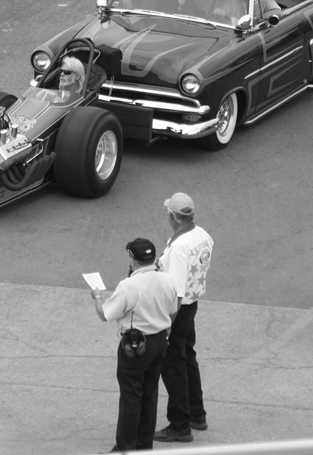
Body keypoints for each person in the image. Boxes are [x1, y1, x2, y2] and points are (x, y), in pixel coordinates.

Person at [91, 238, 179, 452]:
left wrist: (97, 297)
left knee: (131, 396)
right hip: (159, 341)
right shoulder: (167, 280)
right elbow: (174, 310)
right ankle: (143, 445)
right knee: (150, 395)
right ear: (154, 258)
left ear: (132, 259)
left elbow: (106, 315)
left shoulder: (129, 285)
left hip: (136, 344)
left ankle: (125, 447)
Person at [154, 193, 214, 443]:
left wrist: (166, 324)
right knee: (188, 357)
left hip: (177, 310)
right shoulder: (203, 236)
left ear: (173, 217)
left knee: (173, 365)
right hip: (192, 305)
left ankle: (179, 424)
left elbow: (176, 292)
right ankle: (196, 413)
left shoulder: (179, 247)